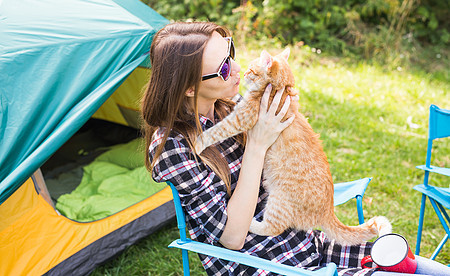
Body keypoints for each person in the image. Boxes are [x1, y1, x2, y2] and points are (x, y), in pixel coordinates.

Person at [141, 21, 450, 276]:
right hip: (261, 263)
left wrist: (288, 115)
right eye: (222, 69)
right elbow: (232, 238)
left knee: (408, 262)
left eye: (231, 53)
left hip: (301, 241)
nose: (236, 69)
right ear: (190, 87)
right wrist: (258, 144)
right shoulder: (174, 148)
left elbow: (288, 158)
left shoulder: (228, 106)